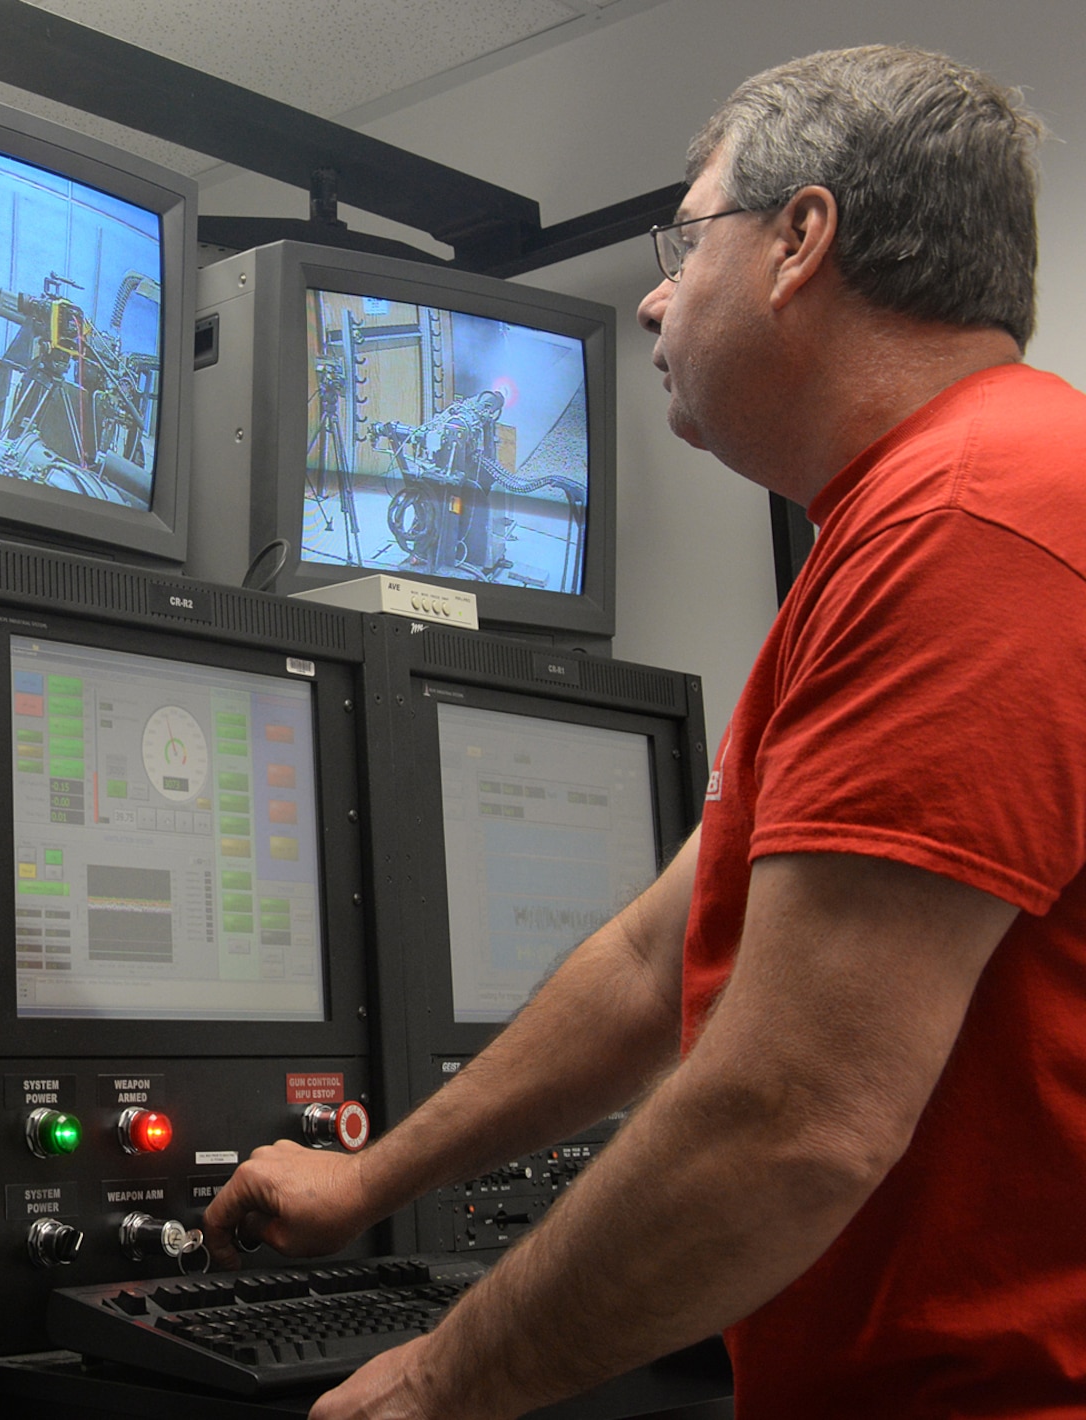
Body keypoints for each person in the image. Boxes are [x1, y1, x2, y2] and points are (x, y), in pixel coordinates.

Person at [203, 44, 1086, 1420]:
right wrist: (376, 1179)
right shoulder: (909, 527)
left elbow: (793, 1117)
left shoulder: (971, 526)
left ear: (802, 240)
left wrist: (441, 1380)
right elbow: (647, 959)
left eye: (686, 236)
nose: (657, 295)